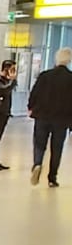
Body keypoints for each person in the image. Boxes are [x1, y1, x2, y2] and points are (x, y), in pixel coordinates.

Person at [28, 47, 72, 186]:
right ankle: (52, 178)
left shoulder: (45, 75)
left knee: (39, 144)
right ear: (69, 60)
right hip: (62, 119)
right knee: (57, 148)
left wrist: (31, 107)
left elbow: (34, 93)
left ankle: (37, 163)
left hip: (42, 116)